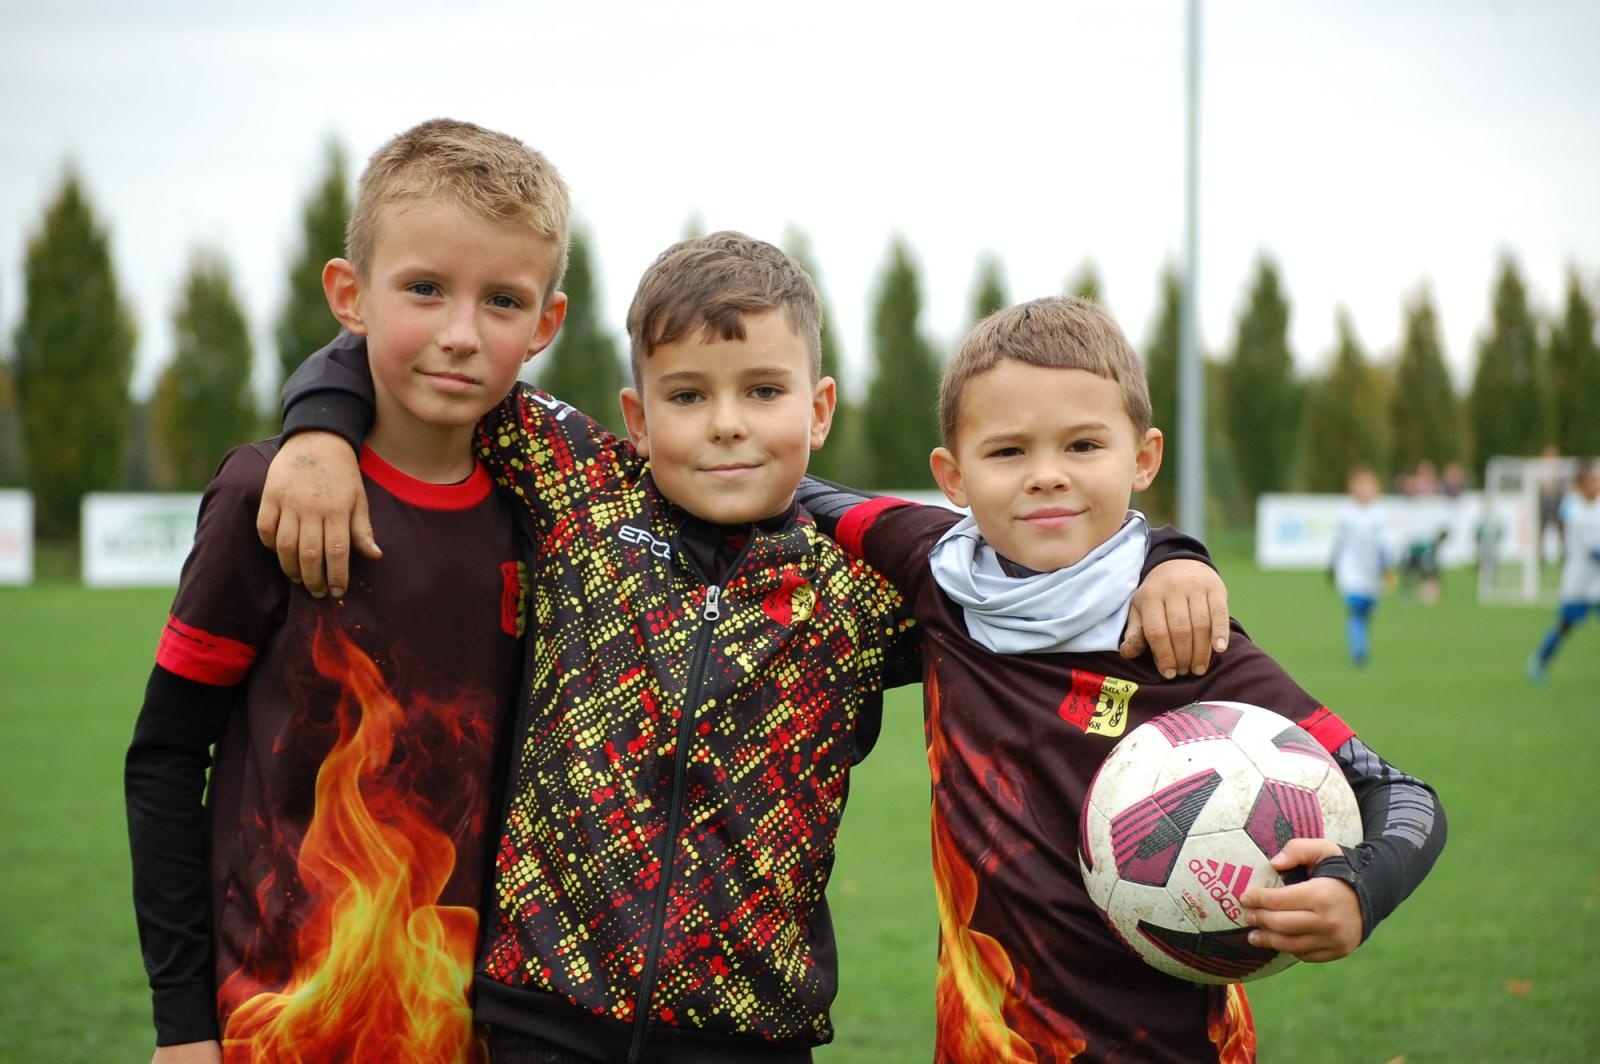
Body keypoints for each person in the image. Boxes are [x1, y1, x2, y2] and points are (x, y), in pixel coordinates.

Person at [258, 234, 1233, 1063]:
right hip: (536, 1013)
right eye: (687, 395)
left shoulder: (867, 581)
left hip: (746, 1033)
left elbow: (1039, 547)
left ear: (816, 409)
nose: (726, 422)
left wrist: (1169, 553)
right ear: (637, 418)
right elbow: (432, 363)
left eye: (761, 390)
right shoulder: (580, 496)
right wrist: (315, 432)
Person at [794, 296, 1447, 1062]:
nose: (1046, 476)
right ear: (952, 474)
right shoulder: (935, 569)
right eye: (1007, 453)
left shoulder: (1188, 642)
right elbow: (779, 479)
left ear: (1143, 457)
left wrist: (1358, 889)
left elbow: (1401, 795)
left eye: (1082, 445)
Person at [125, 119, 571, 1063]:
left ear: (544, 326)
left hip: (479, 1031)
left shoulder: (552, 514)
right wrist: (183, 1028)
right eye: (423, 289)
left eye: (501, 300)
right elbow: (166, 757)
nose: (459, 334)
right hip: (276, 1026)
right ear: (349, 294)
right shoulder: (266, 492)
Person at [1528, 460, 1600, 683]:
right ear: (1581, 485)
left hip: (1596, 581)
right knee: (1565, 624)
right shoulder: (1576, 511)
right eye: (1592, 481)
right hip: (1579, 580)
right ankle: (1539, 661)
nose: (1597, 484)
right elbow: (1595, 551)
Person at [1329, 464, 1394, 666]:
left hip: (1372, 572)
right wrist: (1332, 565)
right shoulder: (1346, 513)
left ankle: (1361, 643)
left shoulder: (1379, 512)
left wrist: (1386, 567)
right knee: (1355, 609)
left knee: (1366, 611)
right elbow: (1338, 542)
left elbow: (1384, 544)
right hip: (1350, 570)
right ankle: (1358, 651)